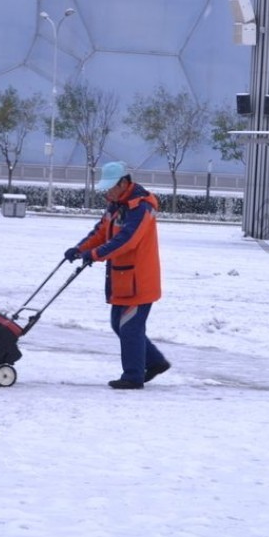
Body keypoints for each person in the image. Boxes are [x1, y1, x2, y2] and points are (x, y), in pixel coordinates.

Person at [65, 162, 171, 389]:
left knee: (130, 327)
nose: (107, 192)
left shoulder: (141, 207)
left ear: (124, 182)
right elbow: (101, 232)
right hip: (122, 279)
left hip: (140, 280)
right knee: (118, 323)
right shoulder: (116, 205)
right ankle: (155, 362)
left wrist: (94, 254)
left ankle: (133, 377)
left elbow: (127, 240)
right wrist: (79, 249)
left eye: (111, 187)